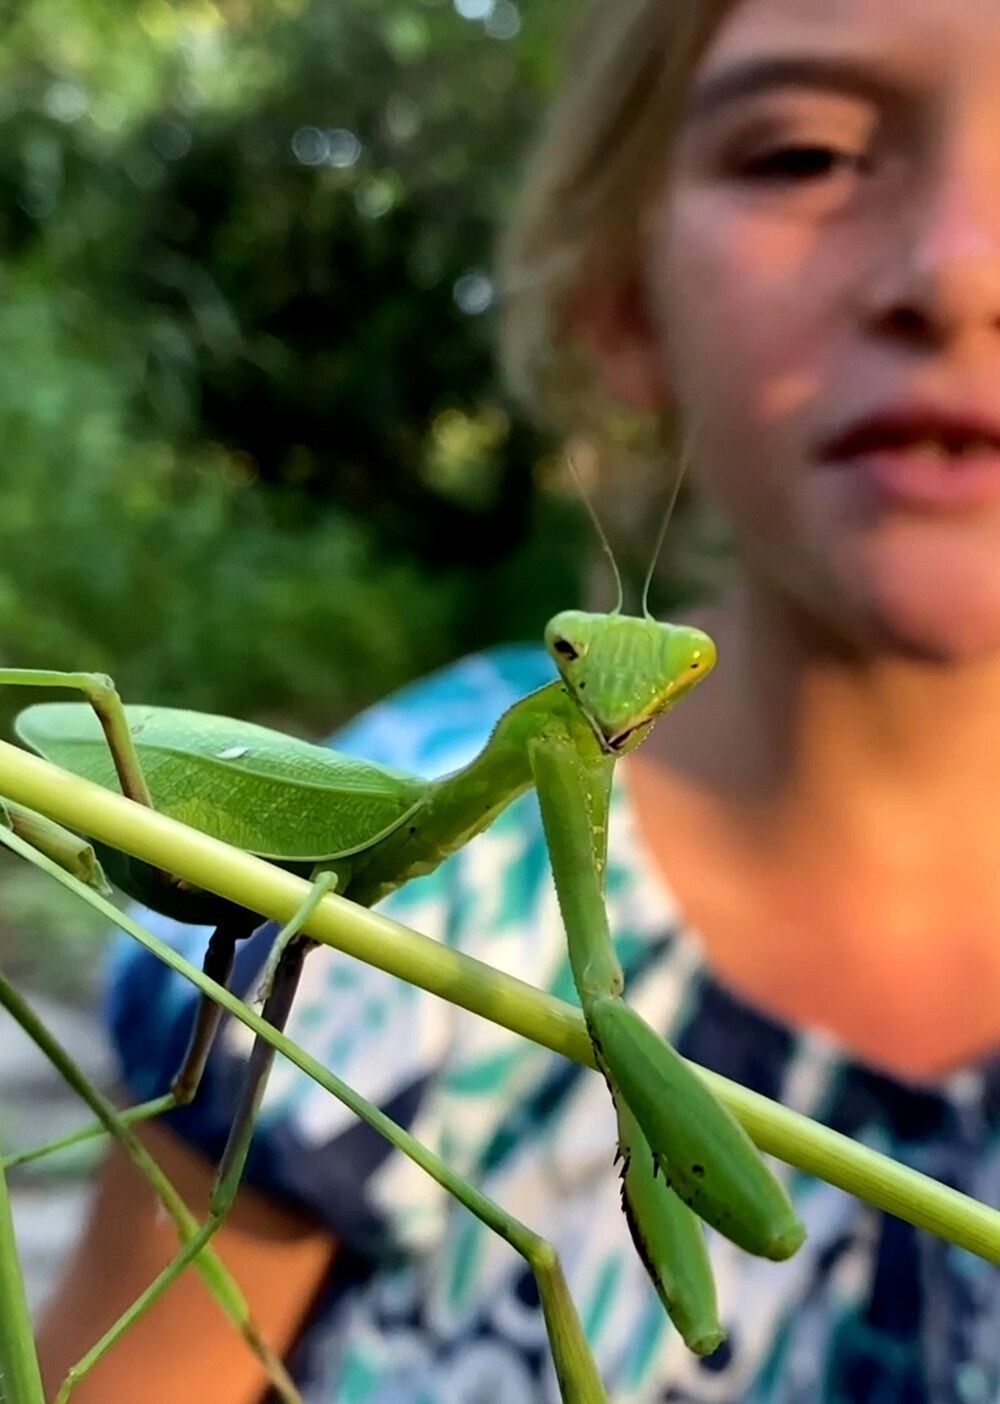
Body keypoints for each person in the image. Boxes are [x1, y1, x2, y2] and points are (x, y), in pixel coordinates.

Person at [37, 0, 1000, 1398]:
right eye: (802, 154)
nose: (960, 267)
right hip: (135, 786)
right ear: (623, 305)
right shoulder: (406, 973)